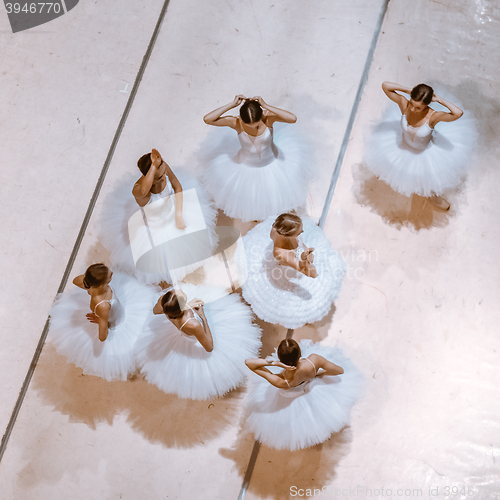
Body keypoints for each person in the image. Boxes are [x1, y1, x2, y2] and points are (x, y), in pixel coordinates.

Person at [99, 149, 217, 285]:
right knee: (167, 261)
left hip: (173, 213)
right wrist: (154, 167)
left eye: (162, 168)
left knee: (191, 245)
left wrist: (179, 214)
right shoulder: (140, 193)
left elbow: (177, 187)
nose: (163, 174)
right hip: (157, 228)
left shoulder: (163, 168)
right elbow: (143, 189)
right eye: (157, 175)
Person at [134, 282, 262, 400]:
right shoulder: (192, 324)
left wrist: (188, 305)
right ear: (182, 306)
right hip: (193, 334)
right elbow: (209, 347)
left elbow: (155, 311)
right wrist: (203, 317)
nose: (178, 289)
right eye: (179, 293)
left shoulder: (164, 302)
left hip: (180, 322)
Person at [366, 82, 477, 211]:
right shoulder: (404, 104)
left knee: (427, 179)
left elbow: (458, 113)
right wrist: (409, 91)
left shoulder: (433, 116)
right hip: (403, 147)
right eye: (412, 104)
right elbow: (385, 86)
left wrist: (440, 100)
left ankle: (432, 197)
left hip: (424, 153)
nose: (412, 109)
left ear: (427, 105)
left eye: (418, 107)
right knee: (402, 172)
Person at [200, 95, 312, 222]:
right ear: (242, 118)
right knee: (251, 197)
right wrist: (232, 104)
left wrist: (266, 106)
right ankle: (256, 215)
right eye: (248, 125)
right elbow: (208, 119)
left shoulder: (267, 119)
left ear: (261, 117)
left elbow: (292, 118)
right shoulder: (236, 122)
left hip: (272, 163)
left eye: (256, 125)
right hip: (245, 165)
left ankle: (273, 210)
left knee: (272, 193)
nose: (252, 128)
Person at [245, 338, 363, 450]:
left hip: (292, 393)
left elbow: (249, 363)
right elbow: (339, 370)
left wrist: (275, 364)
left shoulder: (281, 381)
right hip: (310, 385)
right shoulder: (314, 360)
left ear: (281, 359)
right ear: (300, 353)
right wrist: (318, 373)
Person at [238, 213, 346, 329]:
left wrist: (303, 248)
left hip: (291, 258)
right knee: (305, 303)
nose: (302, 232)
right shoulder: (283, 255)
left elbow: (298, 242)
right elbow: (312, 274)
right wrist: (306, 261)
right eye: (299, 232)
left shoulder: (275, 230)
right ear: (288, 235)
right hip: (289, 271)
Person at [49, 264, 155, 381]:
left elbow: (76, 280)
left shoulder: (88, 284)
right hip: (116, 322)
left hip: (110, 308)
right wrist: (100, 321)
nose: (112, 274)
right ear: (101, 284)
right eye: (109, 277)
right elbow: (103, 336)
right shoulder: (103, 306)